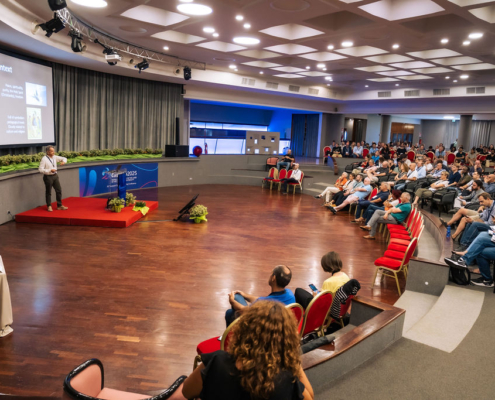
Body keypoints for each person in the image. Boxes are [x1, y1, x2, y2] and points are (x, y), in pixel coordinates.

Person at [182, 301, 314, 400]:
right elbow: (310, 396)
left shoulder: (217, 361)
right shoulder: (286, 380)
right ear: (287, 340)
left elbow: (186, 391)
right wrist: (291, 358)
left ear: (243, 329)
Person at [224, 265, 295, 327]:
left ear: (273, 278)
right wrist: (245, 295)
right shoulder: (290, 294)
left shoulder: (265, 305)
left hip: (259, 329)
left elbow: (244, 310)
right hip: (279, 328)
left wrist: (232, 301)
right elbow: (261, 299)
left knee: (231, 309)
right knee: (231, 312)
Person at [38, 146, 68, 212]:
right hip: (48, 177)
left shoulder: (54, 157)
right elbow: (40, 170)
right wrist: (49, 170)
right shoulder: (44, 159)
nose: (53, 152)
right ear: (48, 152)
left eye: (53, 151)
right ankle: (49, 206)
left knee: (58, 190)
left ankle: (59, 205)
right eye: (52, 151)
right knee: (48, 192)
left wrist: (63, 162)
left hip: (55, 176)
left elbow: (64, 158)